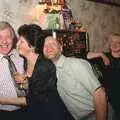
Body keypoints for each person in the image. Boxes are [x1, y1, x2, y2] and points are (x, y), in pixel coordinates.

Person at [0, 24, 74, 120]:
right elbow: (35, 86)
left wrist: (2, 100)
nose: (17, 45)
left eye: (21, 42)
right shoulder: (26, 60)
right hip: (32, 110)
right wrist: (26, 82)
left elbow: (33, 99)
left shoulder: (44, 67)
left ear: (31, 46)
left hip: (50, 113)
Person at [43, 35, 108, 120]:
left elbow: (100, 94)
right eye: (45, 45)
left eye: (52, 43)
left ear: (61, 48)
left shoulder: (75, 64)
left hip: (97, 115)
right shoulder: (52, 71)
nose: (48, 47)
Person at [87, 33, 120, 120]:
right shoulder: (104, 57)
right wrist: (101, 54)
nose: (115, 44)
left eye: (118, 42)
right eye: (112, 42)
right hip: (108, 100)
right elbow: (86, 55)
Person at [0, 21, 26, 113]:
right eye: (0, 37)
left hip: (28, 109)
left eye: (8, 37)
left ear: (13, 38)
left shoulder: (21, 55)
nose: (4, 41)